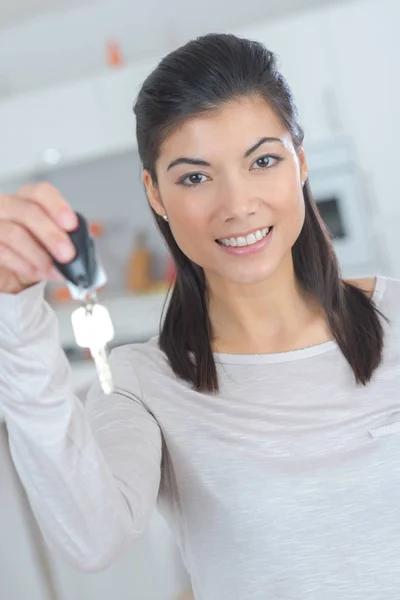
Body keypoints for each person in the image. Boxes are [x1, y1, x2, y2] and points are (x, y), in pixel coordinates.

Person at [0, 32, 399, 600]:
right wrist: (15, 316)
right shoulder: (143, 384)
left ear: (300, 163)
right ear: (155, 194)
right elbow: (91, 540)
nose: (237, 205)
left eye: (262, 160)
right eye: (194, 176)